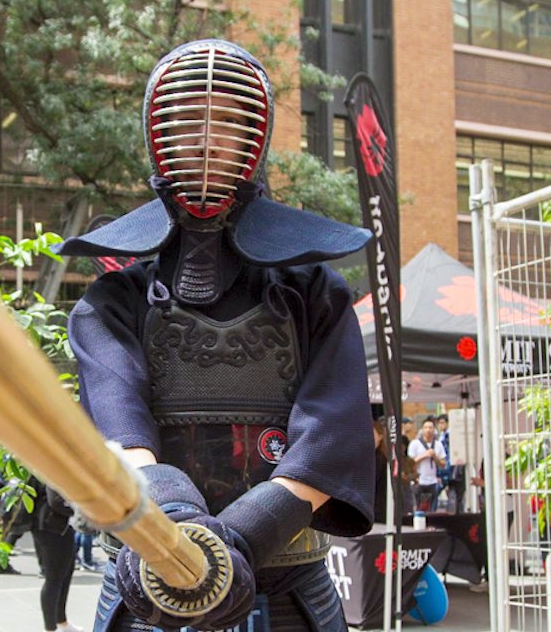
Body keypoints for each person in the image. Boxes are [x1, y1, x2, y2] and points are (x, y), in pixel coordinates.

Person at [60, 39, 374, 631]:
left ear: (255, 138)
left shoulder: (314, 294)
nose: (205, 141)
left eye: (228, 121)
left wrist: (243, 535)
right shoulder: (113, 301)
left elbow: (332, 433)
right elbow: (119, 427)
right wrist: (173, 527)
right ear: (159, 135)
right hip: (148, 588)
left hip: (288, 593)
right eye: (186, 122)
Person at [29, 478, 81, 632]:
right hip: (52, 529)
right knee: (54, 579)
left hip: (58, 527)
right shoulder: (49, 470)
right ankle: (50, 628)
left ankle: (62, 622)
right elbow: (55, 501)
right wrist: (79, 509)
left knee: (65, 574)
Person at [408, 417, 447, 512]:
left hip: (433, 482)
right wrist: (424, 455)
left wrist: (434, 456)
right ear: (422, 429)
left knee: (432, 510)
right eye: (426, 427)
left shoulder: (438, 445)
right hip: (418, 481)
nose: (428, 430)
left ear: (434, 429)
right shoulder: (415, 444)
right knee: (418, 510)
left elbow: (443, 464)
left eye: (430, 427)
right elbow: (409, 463)